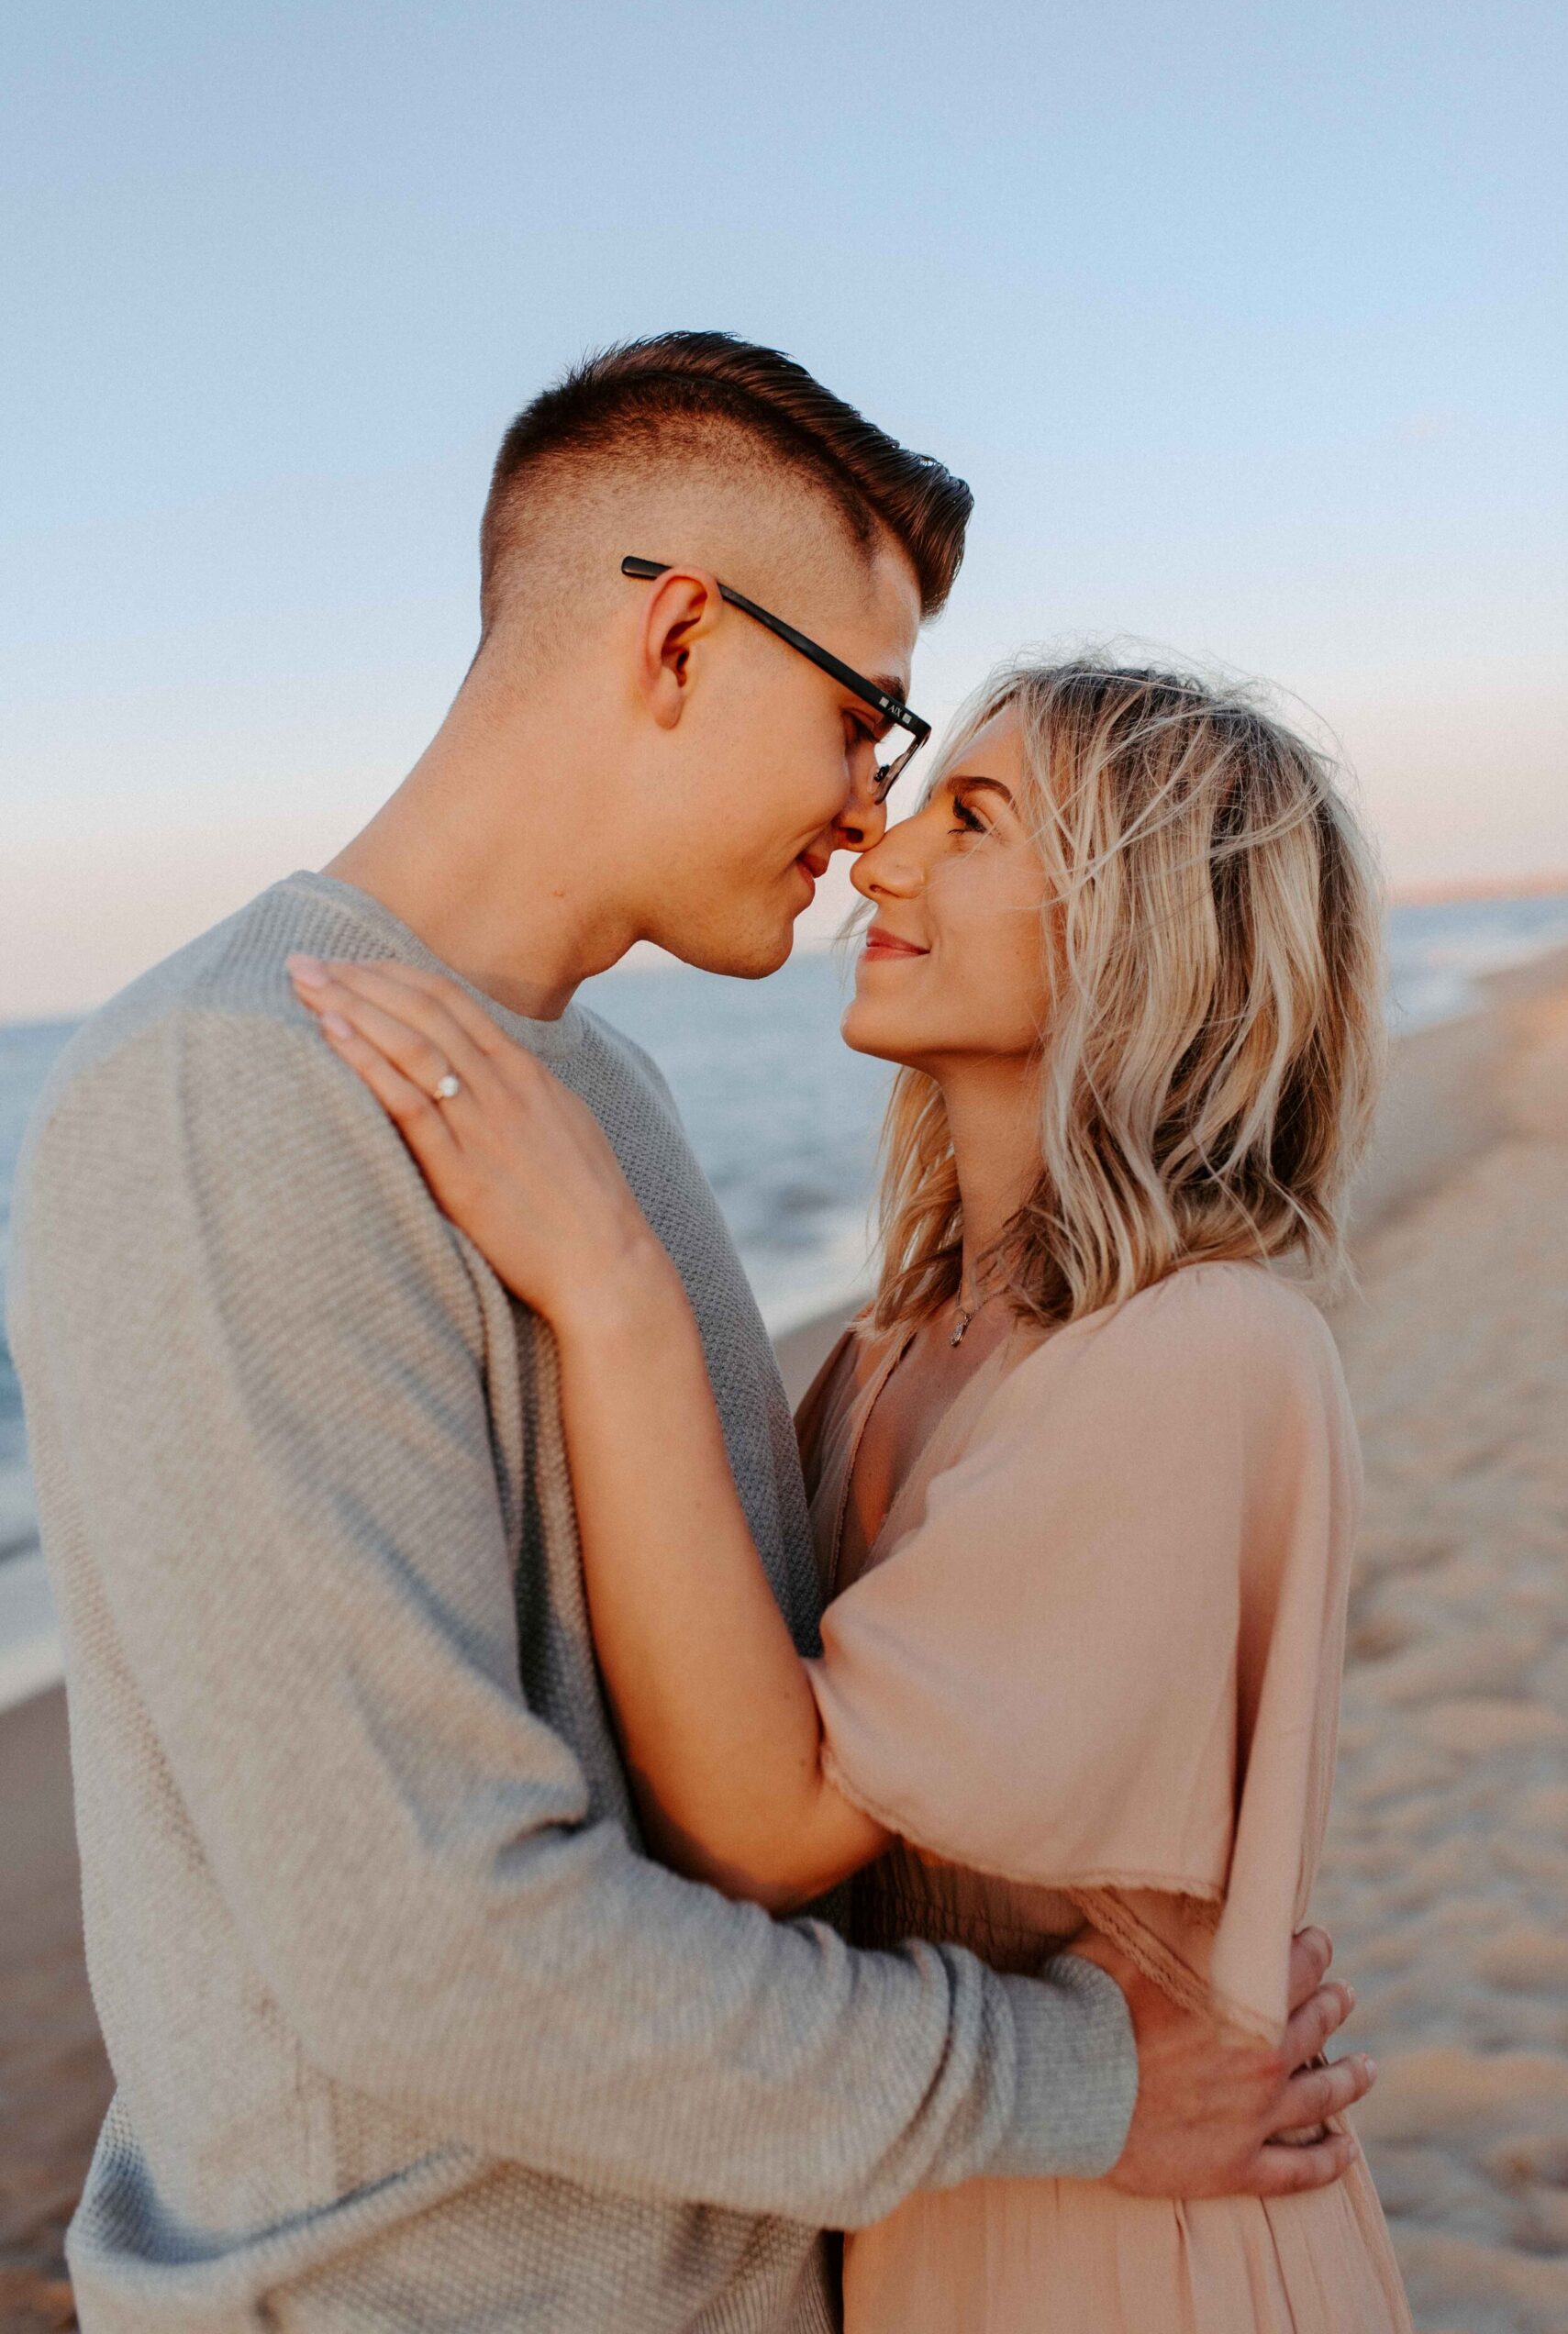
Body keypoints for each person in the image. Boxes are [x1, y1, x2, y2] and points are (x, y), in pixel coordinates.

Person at [12, 336, 1370, 2334]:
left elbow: (795, 1747)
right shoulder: (232, 1094)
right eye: (867, 721)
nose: (866, 819)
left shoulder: (612, 1103)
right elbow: (425, 1949)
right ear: (675, 639)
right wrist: (1075, 2075)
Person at [291, 654, 1414, 2330]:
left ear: (1149, 922)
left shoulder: (1208, 1351)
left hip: (1129, 2254)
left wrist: (609, 1286)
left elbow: (759, 1828)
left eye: (970, 819)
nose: (876, 857)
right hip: (947, 2221)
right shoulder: (898, 1353)